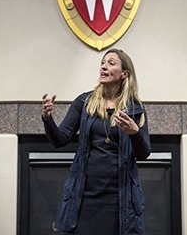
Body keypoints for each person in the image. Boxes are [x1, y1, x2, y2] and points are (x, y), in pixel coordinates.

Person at [42, 48, 151, 235]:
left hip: (120, 198)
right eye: (102, 63)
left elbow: (144, 153)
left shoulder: (135, 108)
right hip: (84, 196)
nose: (103, 67)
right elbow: (60, 140)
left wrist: (134, 133)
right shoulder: (85, 102)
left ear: (124, 74)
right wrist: (47, 118)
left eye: (111, 63)